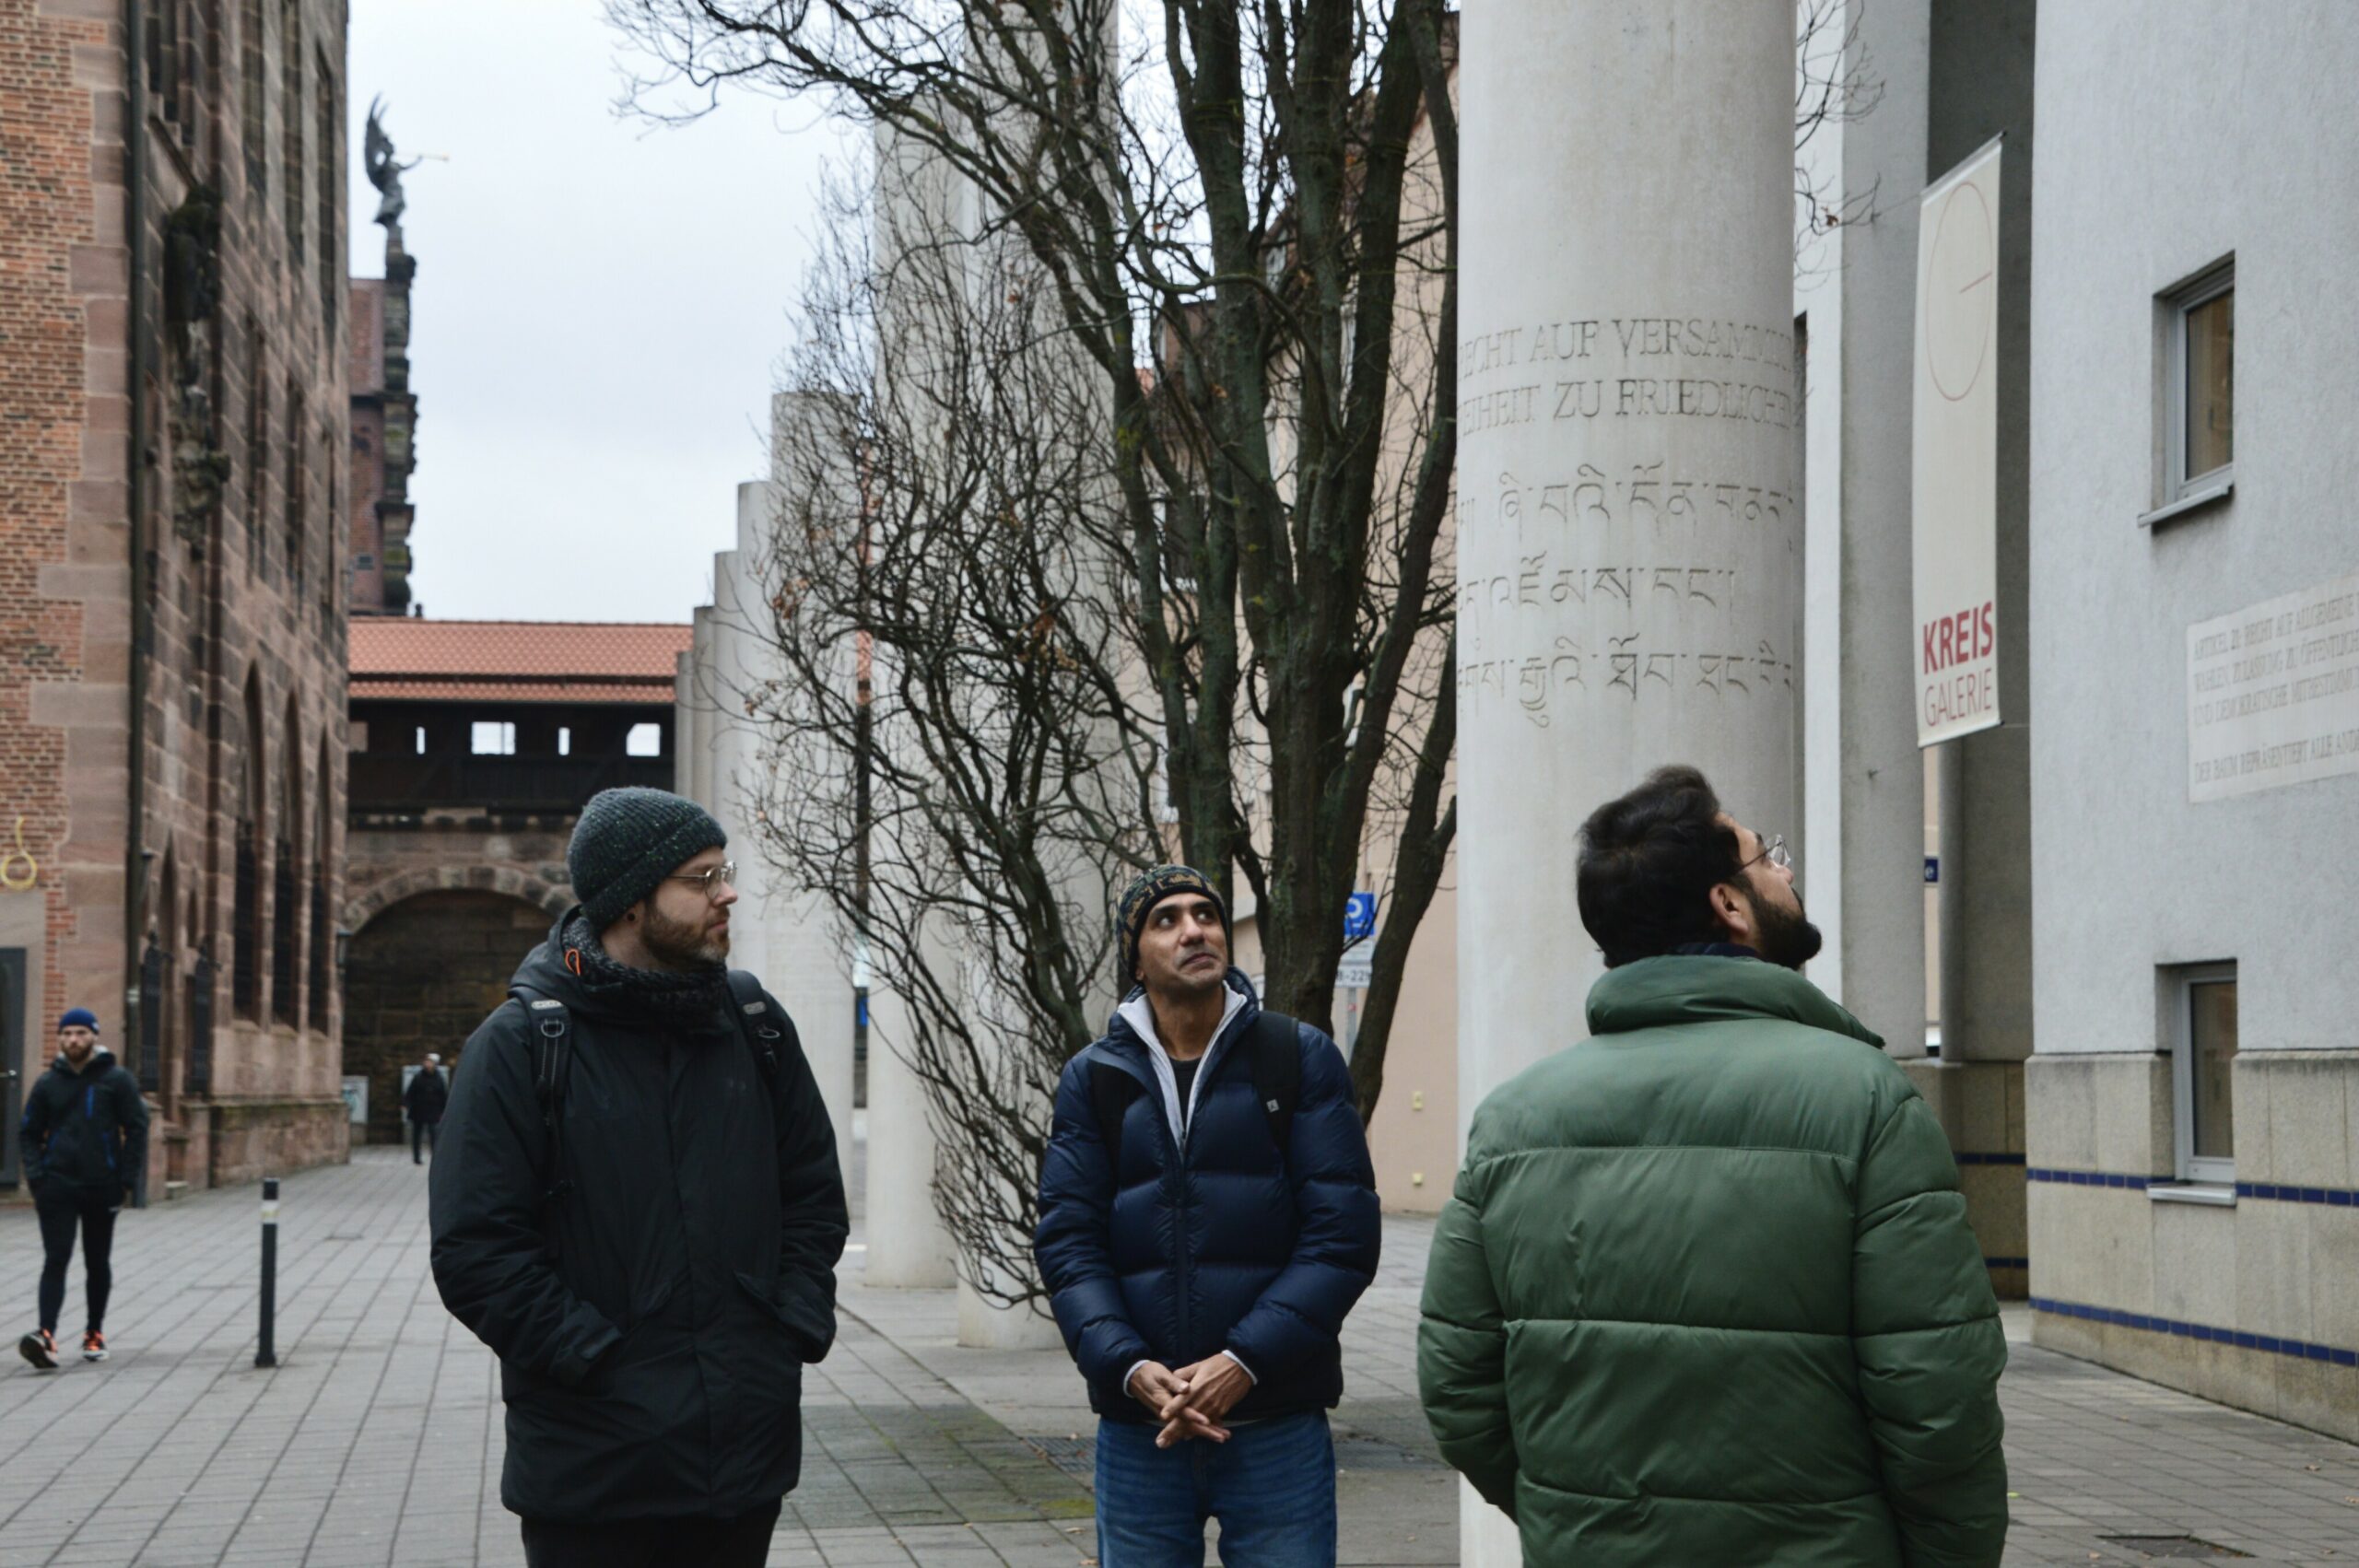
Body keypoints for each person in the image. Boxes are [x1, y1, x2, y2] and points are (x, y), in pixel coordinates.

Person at [1418, 765, 2008, 1567]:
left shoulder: (1513, 1120)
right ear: (1729, 906)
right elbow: (1938, 1391)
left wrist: (1570, 1517)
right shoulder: (1865, 1099)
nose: (1787, 872)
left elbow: (1458, 1386)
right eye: (1769, 859)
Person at [429, 788, 847, 1568]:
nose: (727, 893)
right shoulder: (521, 1046)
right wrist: (598, 1361)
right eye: (701, 878)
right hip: (594, 1473)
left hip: (742, 1462)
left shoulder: (754, 1025)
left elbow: (814, 1198)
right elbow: (476, 1251)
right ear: (630, 900)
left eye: (724, 871)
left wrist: (784, 1330)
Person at [1036, 865, 1380, 1567]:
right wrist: (1129, 1366)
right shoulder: (1094, 1077)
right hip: (1143, 1431)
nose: (1194, 930)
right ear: (1136, 956)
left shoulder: (1296, 1056)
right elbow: (1070, 1244)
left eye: (1205, 914)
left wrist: (1243, 1360)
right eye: (1167, 920)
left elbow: (1340, 1239)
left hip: (1275, 1420)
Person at [18, 1007, 148, 1370]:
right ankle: (45, 1335)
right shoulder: (48, 1083)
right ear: (59, 1038)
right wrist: (37, 1177)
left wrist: (125, 1179)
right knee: (55, 1259)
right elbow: (28, 1132)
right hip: (57, 1185)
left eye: (80, 1033)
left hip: (101, 1185)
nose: (73, 1040)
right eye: (67, 1034)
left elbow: (137, 1127)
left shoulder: (116, 1080)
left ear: (93, 1036)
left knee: (97, 1261)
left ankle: (94, 1332)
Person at [403, 1052, 447, 1164]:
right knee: (417, 1134)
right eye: (426, 1062)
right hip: (419, 1109)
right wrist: (406, 1104)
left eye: (430, 1062)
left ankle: (435, 1156)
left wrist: (444, 1110)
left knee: (434, 1134)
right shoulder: (418, 1077)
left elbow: (443, 1095)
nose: (428, 1064)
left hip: (433, 1110)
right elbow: (410, 1092)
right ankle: (417, 1157)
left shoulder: (439, 1078)